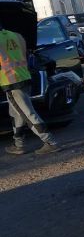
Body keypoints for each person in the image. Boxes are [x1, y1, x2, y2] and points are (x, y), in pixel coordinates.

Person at [0, 20, 61, 155]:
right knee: (16, 113)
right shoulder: (17, 36)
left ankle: (50, 142)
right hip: (24, 77)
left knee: (27, 113)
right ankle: (19, 144)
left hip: (11, 81)